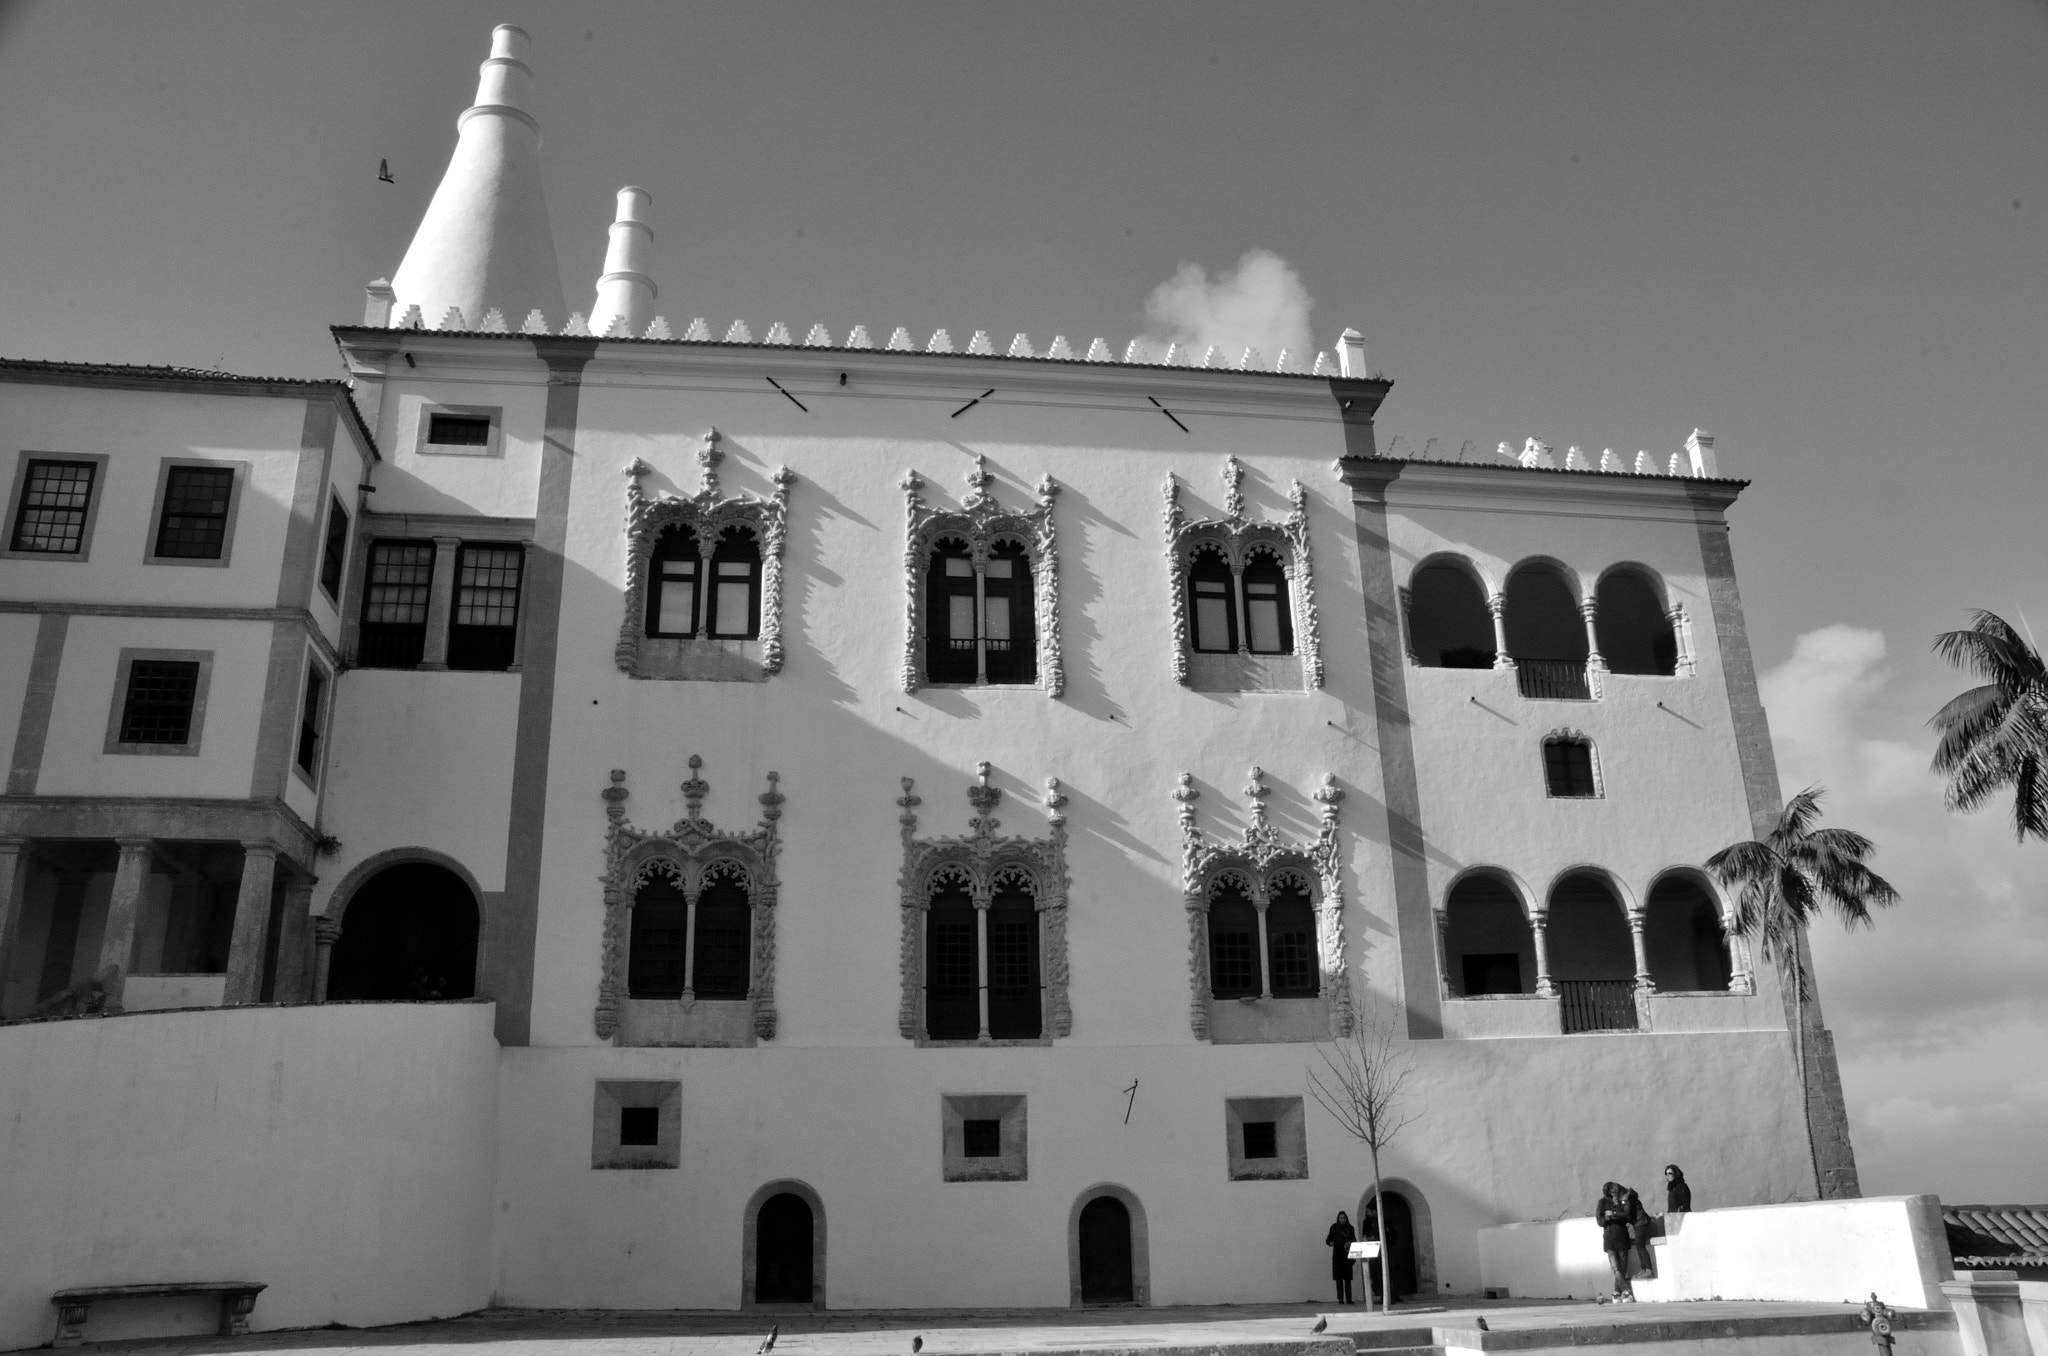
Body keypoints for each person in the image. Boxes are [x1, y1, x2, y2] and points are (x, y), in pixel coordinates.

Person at [1597, 1182, 1635, 1302]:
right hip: (1609, 1239)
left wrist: (1615, 1213)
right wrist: (1607, 1217)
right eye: (1612, 1191)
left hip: (1622, 1237)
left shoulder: (1622, 1201)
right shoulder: (1602, 1202)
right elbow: (1600, 1221)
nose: (1614, 1193)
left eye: (1616, 1191)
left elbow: (1627, 1216)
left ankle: (1616, 1293)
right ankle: (1626, 1291)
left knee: (1622, 1267)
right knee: (1616, 1268)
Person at [1621, 1182, 1656, 1279]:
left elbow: (1627, 1214)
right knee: (1638, 1245)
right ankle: (1644, 1269)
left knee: (1640, 1245)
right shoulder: (1631, 1199)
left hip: (1641, 1223)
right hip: (1639, 1223)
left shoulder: (1629, 1200)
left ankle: (1648, 1270)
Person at [1324, 1211, 1357, 1304]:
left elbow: (1354, 1239)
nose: (1342, 1220)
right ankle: (1341, 1299)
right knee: (1339, 1279)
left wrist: (1350, 1242)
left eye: (1344, 1218)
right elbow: (1328, 1239)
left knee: (1347, 1279)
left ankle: (1349, 1299)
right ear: (1338, 1219)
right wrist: (1330, 1243)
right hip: (1338, 1256)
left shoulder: (1350, 1228)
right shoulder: (1334, 1227)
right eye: (1341, 1218)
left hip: (1347, 1256)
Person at [1360, 1198, 1385, 1305]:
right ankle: (1377, 1295)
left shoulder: (1381, 1220)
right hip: (1371, 1249)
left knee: (1381, 1273)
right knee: (1374, 1274)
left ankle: (1385, 1296)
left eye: (1368, 1211)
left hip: (1381, 1251)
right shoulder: (1367, 1222)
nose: (1367, 1213)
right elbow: (1364, 1235)